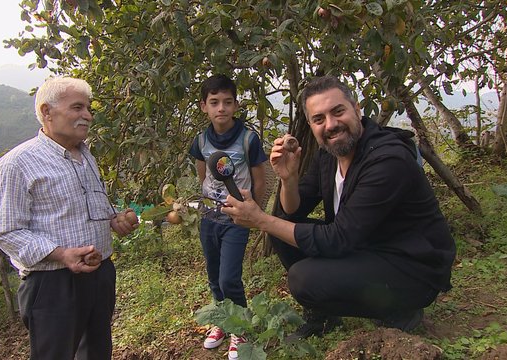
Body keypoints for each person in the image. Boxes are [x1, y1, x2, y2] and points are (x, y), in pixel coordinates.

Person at [221, 76, 456, 339]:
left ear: (356, 109)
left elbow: (338, 239)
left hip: (412, 267)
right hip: (369, 247)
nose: (331, 125)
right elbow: (293, 212)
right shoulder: (330, 154)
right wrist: (288, 179)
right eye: (319, 119)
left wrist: (260, 220)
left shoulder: (387, 160)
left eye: (338, 111)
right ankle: (325, 317)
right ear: (311, 125)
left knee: (304, 278)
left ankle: (402, 309)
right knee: (281, 230)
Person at [0, 77, 139, 359]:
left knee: (96, 352)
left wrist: (115, 220)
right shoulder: (16, 164)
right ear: (47, 112)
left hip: (100, 275)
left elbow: (89, 208)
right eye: (78, 107)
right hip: (53, 285)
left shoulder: (86, 155)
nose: (88, 116)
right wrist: (61, 254)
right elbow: (5, 231)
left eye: (88, 108)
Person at [188, 74, 268, 359]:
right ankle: (223, 321)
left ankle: (241, 328)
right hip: (210, 217)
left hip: (237, 218)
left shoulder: (248, 139)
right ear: (203, 106)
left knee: (229, 279)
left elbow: (260, 177)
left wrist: (254, 211)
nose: (221, 108)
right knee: (213, 276)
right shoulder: (200, 140)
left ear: (235, 105)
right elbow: (202, 173)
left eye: (227, 102)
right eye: (214, 102)